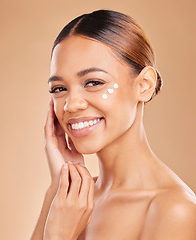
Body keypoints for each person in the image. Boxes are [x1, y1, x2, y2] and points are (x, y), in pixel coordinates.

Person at [30, 9, 196, 240]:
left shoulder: (175, 211)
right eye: (59, 88)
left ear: (144, 85)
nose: (71, 104)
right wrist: (58, 187)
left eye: (94, 82)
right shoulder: (68, 203)